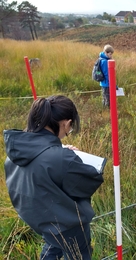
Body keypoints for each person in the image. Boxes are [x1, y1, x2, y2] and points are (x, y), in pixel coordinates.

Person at [3, 95, 104, 260]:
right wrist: (72, 158)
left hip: (39, 219)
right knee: (79, 255)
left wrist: (60, 150)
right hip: (67, 224)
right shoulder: (61, 158)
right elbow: (88, 183)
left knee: (52, 245)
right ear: (66, 123)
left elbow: (41, 167)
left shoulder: (17, 150)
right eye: (70, 126)